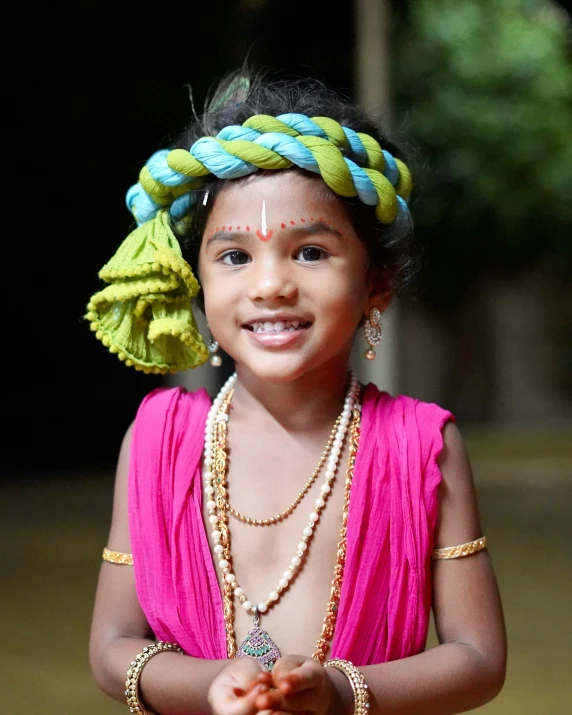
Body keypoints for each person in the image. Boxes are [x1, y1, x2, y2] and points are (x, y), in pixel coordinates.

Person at [87, 70, 506, 715]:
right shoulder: (156, 439)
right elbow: (112, 645)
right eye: (234, 257)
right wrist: (210, 685)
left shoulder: (423, 446)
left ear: (377, 285)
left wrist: (341, 692)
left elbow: (478, 660)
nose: (271, 285)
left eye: (309, 252)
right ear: (196, 280)